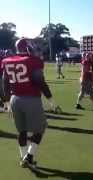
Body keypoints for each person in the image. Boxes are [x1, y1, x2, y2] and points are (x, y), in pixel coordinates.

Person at [2, 38, 58, 168]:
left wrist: (6, 101)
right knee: (40, 129)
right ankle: (29, 156)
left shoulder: (6, 61)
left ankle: (23, 158)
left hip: (14, 99)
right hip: (31, 99)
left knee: (21, 131)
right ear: (27, 48)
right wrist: (51, 100)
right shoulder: (34, 61)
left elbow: (5, 82)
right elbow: (40, 82)